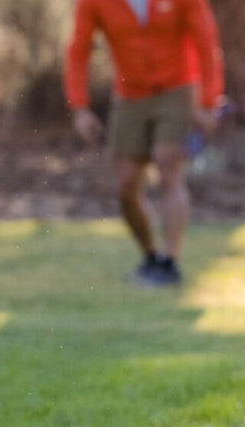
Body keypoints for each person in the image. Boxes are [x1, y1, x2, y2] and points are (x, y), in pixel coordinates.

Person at [64, 0, 225, 285]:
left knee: (167, 163)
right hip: (129, 93)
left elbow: (205, 40)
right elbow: (78, 50)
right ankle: (151, 257)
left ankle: (170, 261)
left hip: (178, 87)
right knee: (126, 184)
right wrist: (79, 107)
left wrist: (209, 101)